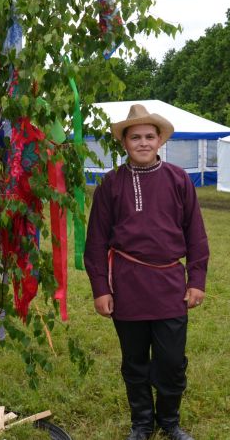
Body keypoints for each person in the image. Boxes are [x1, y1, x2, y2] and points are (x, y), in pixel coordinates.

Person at [84, 104, 209, 440]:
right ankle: (141, 422)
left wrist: (196, 280)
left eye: (149, 136)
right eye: (135, 137)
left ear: (159, 141)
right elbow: (95, 243)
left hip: (169, 284)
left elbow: (195, 234)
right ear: (124, 143)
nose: (142, 142)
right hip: (127, 285)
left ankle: (169, 420)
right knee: (135, 360)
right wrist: (101, 289)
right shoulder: (111, 184)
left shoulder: (178, 178)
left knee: (170, 360)